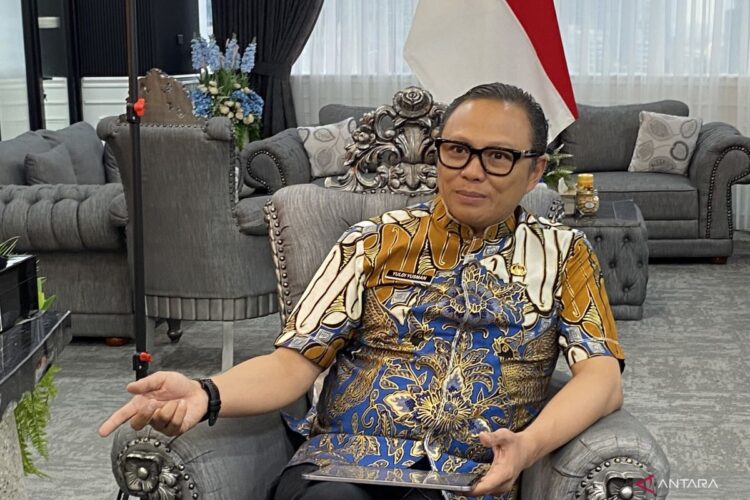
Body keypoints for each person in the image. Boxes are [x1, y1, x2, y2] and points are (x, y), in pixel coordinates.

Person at [99, 82, 625, 500]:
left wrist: (528, 446)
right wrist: (207, 391)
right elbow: (294, 364)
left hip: (465, 477)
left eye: (498, 157)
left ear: (534, 171)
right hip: (342, 464)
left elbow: (602, 378)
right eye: (457, 150)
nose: (471, 171)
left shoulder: (565, 255)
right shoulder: (373, 241)